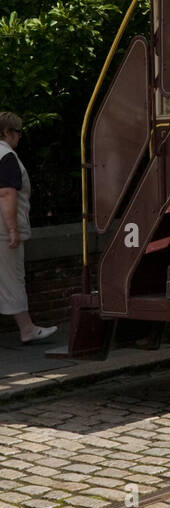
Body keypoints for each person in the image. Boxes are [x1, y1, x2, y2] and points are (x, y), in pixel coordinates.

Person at [0, 112, 57, 344]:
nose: (20, 137)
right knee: (12, 278)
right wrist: (13, 230)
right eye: (18, 132)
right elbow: (6, 193)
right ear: (7, 132)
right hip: (2, 229)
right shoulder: (6, 156)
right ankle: (27, 329)